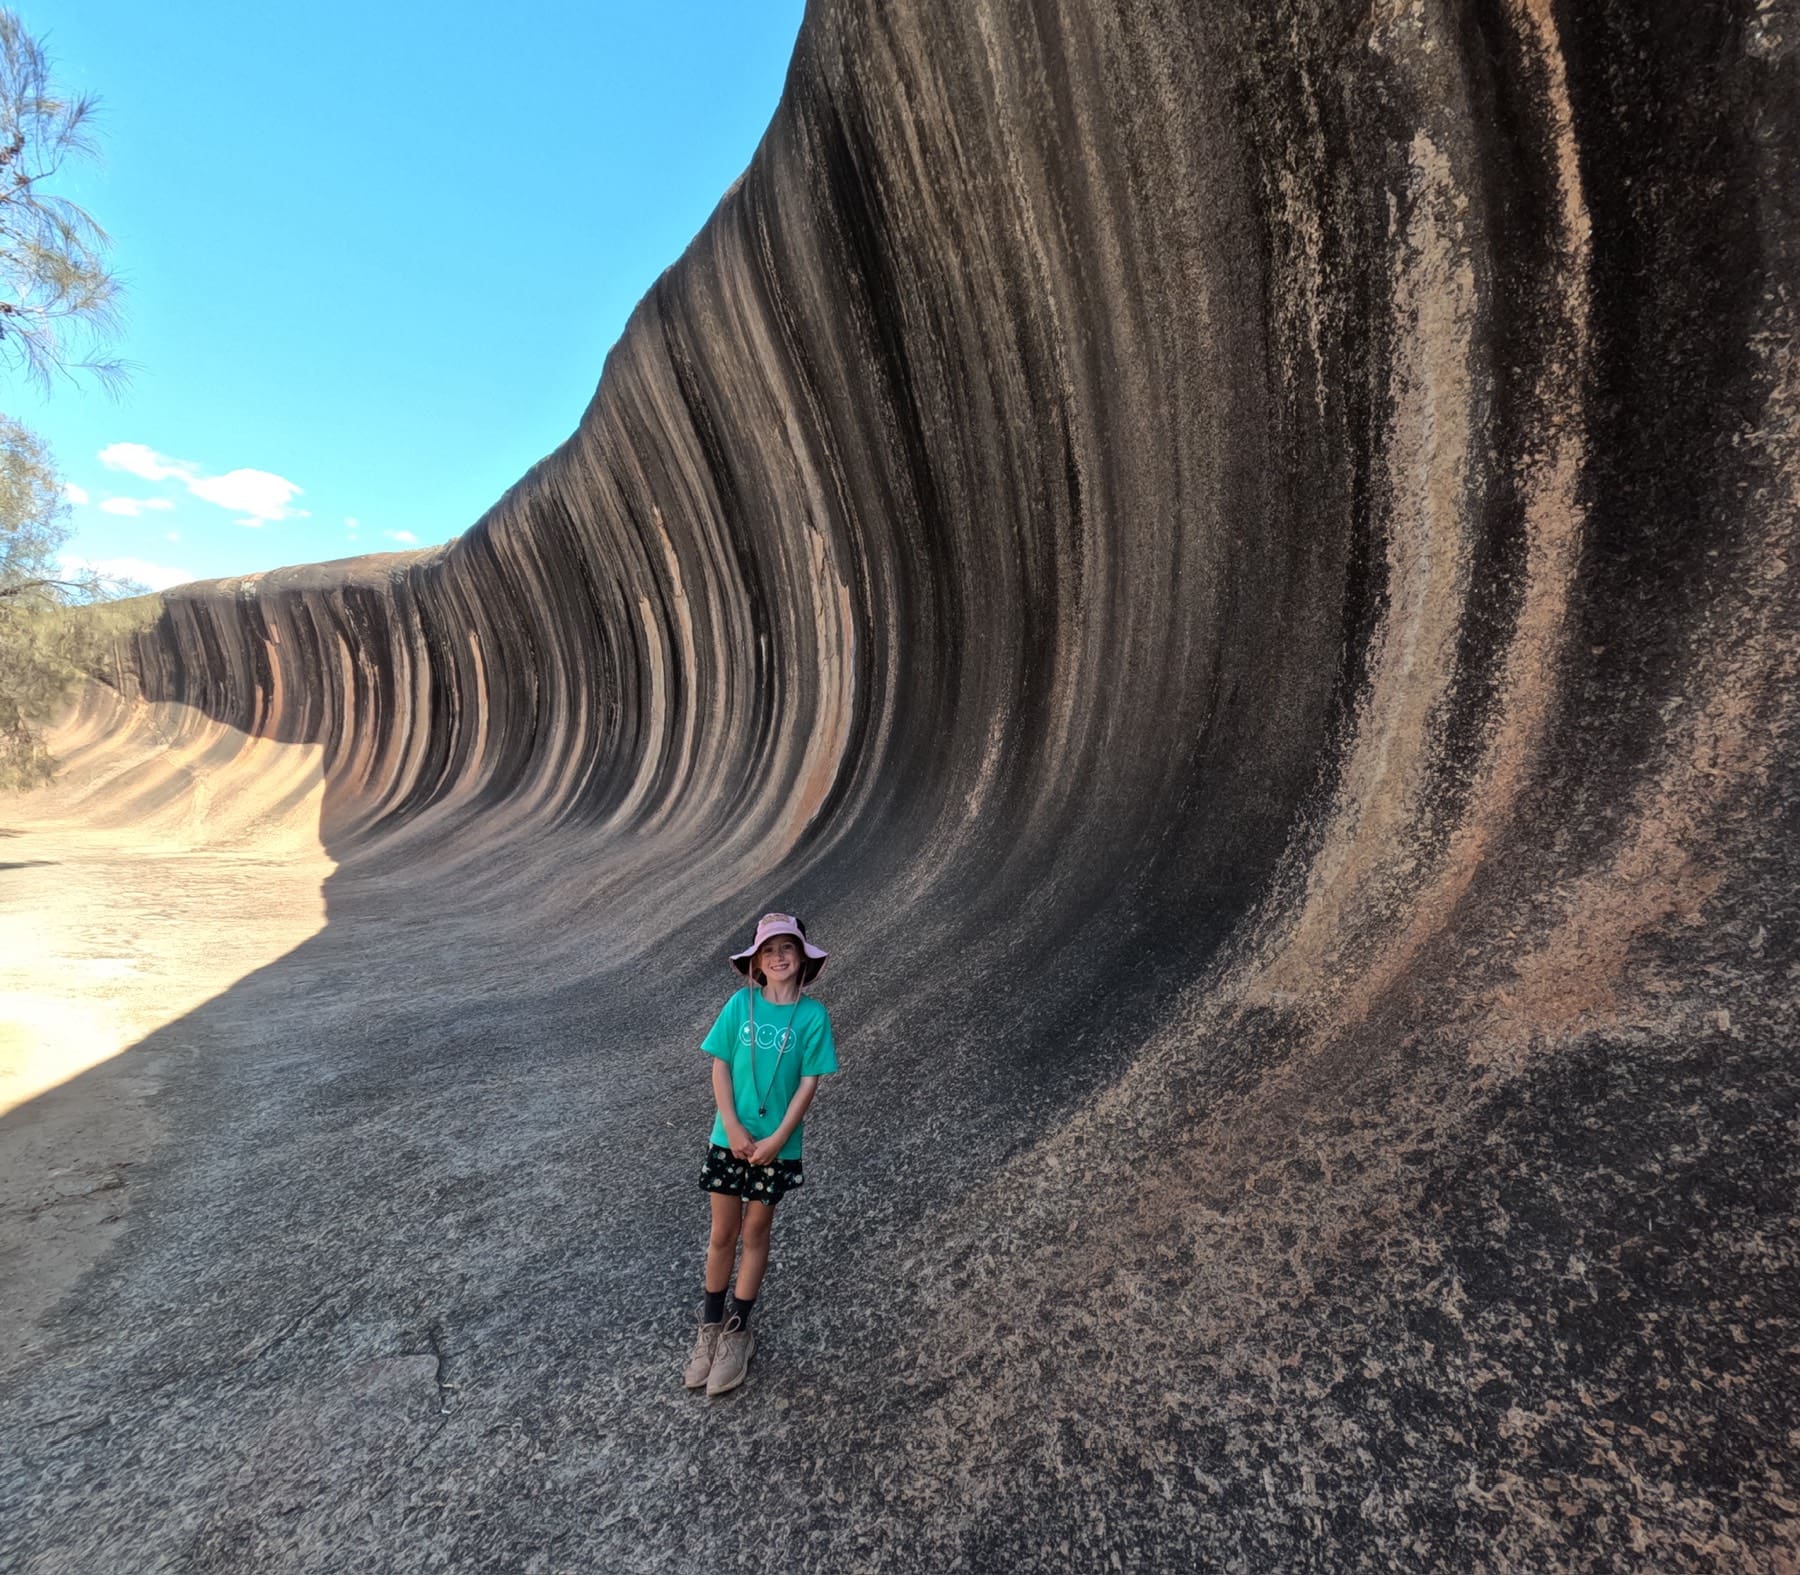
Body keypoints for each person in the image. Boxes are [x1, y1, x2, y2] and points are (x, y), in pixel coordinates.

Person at [683, 911, 839, 1396]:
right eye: (769, 950)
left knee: (756, 1231)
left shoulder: (813, 1017)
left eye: (787, 948)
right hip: (727, 1140)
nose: (778, 957)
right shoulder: (739, 1006)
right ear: (755, 960)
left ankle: (738, 1331)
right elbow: (720, 1067)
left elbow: (808, 1084)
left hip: (777, 1146)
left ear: (803, 959)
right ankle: (709, 1328)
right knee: (722, 1232)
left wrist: (777, 1140)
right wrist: (730, 1125)